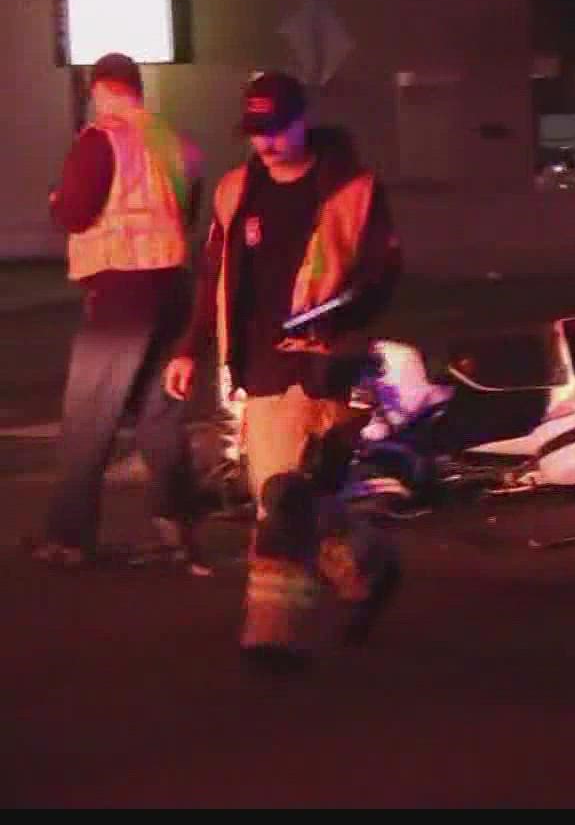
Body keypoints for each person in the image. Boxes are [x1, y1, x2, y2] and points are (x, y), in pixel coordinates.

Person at [163, 71, 404, 672]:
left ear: (302, 120)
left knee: (283, 499)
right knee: (301, 499)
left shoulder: (354, 190)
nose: (265, 144)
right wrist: (191, 347)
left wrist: (337, 324)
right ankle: (369, 565)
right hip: (256, 367)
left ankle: (271, 636)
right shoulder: (235, 190)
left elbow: (381, 278)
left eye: (275, 130)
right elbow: (212, 275)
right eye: (255, 132)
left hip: (322, 369)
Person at [30, 53, 207, 572]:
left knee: (89, 415)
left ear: (100, 89)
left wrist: (57, 199)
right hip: (173, 286)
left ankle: (69, 538)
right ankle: (180, 529)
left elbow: (76, 211)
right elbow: (185, 212)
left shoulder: (99, 139)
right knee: (161, 414)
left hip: (119, 293)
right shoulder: (178, 145)